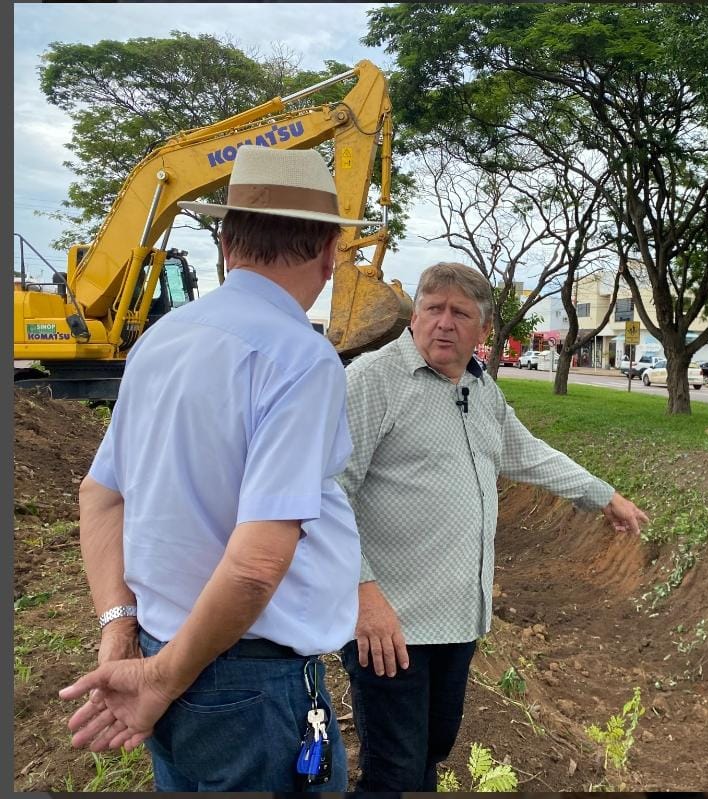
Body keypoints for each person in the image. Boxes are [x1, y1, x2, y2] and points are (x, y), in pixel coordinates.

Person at [58, 147, 364, 791]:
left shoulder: (158, 342)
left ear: (226, 241)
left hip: (165, 657)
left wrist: (121, 631)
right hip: (249, 684)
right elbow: (256, 563)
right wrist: (163, 679)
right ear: (331, 253)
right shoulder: (302, 360)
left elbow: (100, 494)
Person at [336, 262, 649, 792]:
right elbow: (328, 491)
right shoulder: (370, 382)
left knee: (432, 751)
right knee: (395, 769)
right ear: (415, 317)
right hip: (390, 623)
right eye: (433, 309)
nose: (443, 323)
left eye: (459, 313)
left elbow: (528, 453)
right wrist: (363, 595)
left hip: (456, 618)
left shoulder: (481, 390)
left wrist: (603, 495)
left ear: (483, 330)